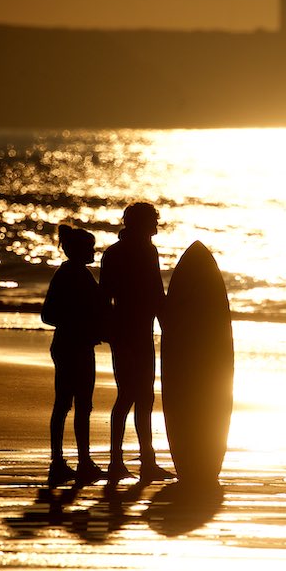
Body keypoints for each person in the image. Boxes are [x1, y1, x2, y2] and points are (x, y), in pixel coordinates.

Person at [101, 202, 174, 482]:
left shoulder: (113, 252)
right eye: (153, 222)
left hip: (125, 332)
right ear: (143, 224)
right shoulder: (145, 251)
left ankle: (128, 462)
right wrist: (169, 327)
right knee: (136, 397)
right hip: (136, 333)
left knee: (134, 396)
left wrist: (106, 330)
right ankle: (133, 463)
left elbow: (103, 297)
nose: (156, 228)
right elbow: (157, 293)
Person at [41, 224, 108, 487]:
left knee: (77, 405)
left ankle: (77, 461)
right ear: (78, 250)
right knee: (70, 405)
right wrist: (80, 324)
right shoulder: (70, 274)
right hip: (72, 347)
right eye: (89, 247)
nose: (93, 251)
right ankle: (64, 462)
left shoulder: (78, 273)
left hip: (76, 346)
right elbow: (48, 315)